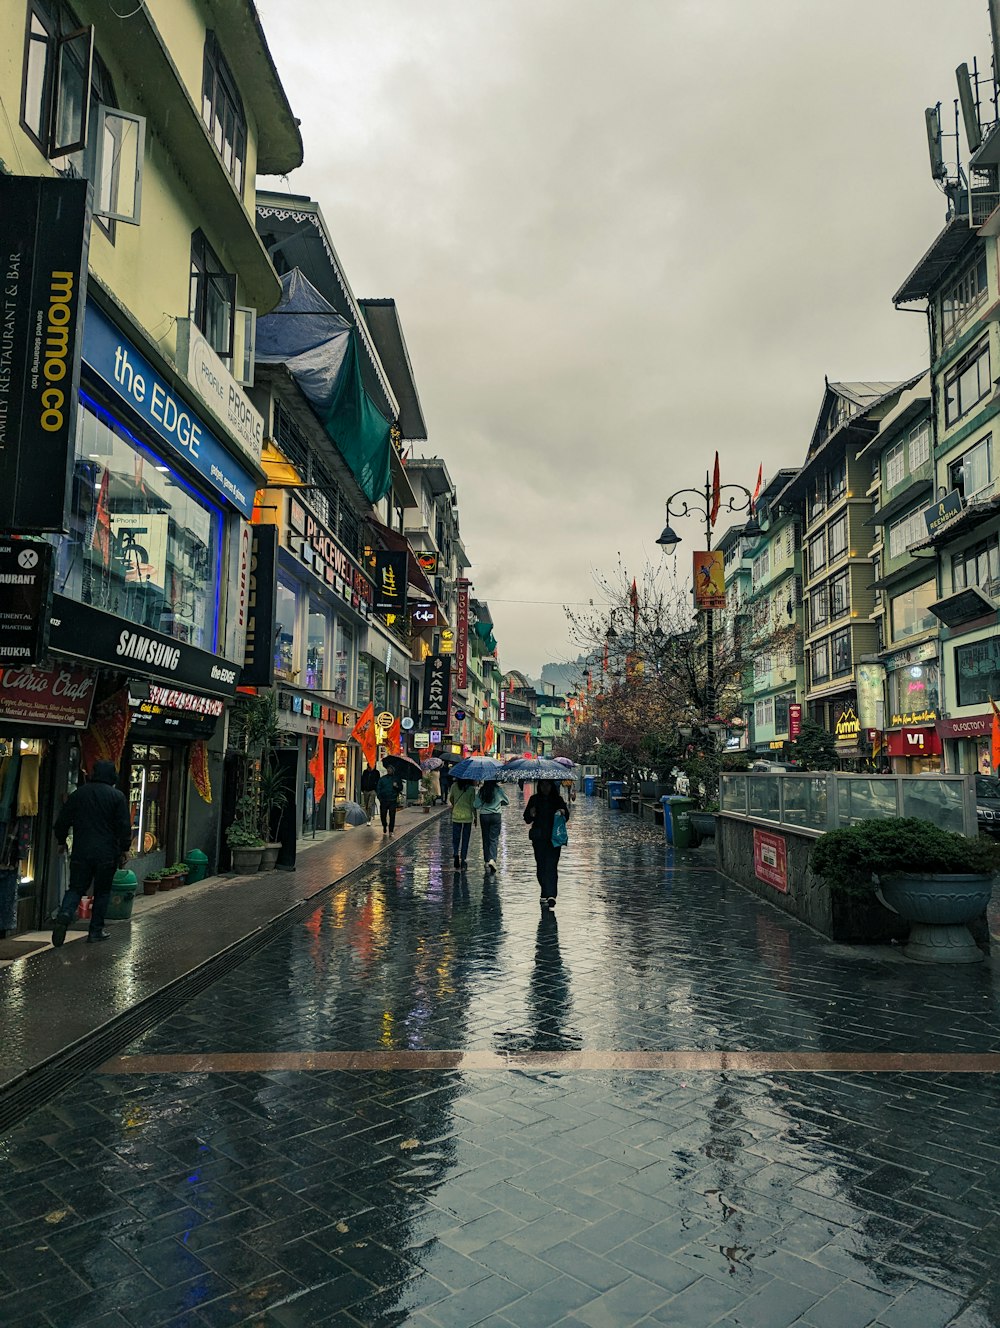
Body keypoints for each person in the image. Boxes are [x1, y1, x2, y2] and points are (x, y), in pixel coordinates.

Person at [51, 760, 131, 946]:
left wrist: (61, 841)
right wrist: (125, 849)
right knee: (102, 892)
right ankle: (95, 931)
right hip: (107, 853)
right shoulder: (117, 797)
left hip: (82, 850)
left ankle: (65, 913)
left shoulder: (79, 794)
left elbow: (62, 821)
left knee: (76, 887)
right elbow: (123, 826)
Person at [523, 779, 570, 911]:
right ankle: (545, 891)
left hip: (554, 838)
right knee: (541, 866)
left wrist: (562, 812)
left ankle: (551, 895)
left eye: (547, 785)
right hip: (539, 839)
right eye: (542, 785)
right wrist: (531, 814)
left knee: (551, 866)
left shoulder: (557, 800)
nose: (545, 788)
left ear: (551, 786)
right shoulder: (534, 799)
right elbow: (527, 818)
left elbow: (566, 816)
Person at [474, 780, 509, 873]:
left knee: (485, 838)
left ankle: (486, 860)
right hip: (496, 815)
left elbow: (476, 805)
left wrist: (482, 803)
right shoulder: (498, 789)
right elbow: (507, 801)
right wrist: (499, 803)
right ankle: (492, 859)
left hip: (484, 816)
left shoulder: (482, 790)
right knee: (494, 838)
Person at [448, 779, 477, 869]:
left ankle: (456, 853)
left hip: (456, 815)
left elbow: (451, 798)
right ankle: (463, 858)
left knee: (456, 837)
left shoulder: (454, 786)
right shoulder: (471, 789)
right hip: (467, 816)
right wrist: (475, 816)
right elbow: (473, 804)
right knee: (465, 838)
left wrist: (455, 804)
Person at [376, 768, 403, 835]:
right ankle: (384, 825)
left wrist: (396, 786)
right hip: (384, 800)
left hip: (392, 800)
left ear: (393, 770)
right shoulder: (383, 779)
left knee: (392, 816)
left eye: (390, 769)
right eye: (388, 769)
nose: (389, 770)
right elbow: (378, 788)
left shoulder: (396, 779)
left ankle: (391, 830)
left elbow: (400, 788)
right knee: (383, 815)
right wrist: (380, 798)